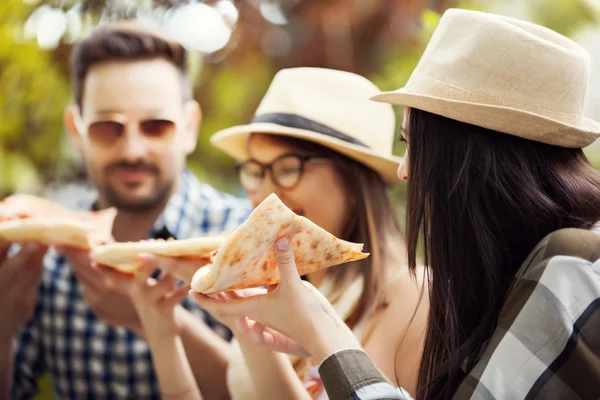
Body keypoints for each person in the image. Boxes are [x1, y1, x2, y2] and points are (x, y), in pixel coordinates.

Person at [192, 8, 600, 400]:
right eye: (252, 169)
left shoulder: (572, 263)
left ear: (469, 159)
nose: (404, 171)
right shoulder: (522, 273)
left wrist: (324, 334)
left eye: (414, 145)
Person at [140, 66, 428, 399]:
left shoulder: (416, 301)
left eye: (288, 167)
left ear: (355, 180)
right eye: (255, 170)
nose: (264, 197)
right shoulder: (282, 288)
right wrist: (161, 329)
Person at [0, 21, 251, 399]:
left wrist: (146, 317)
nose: (133, 149)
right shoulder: (43, 257)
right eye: (108, 127)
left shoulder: (241, 237)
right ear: (75, 129)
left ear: (189, 127)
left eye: (155, 125)